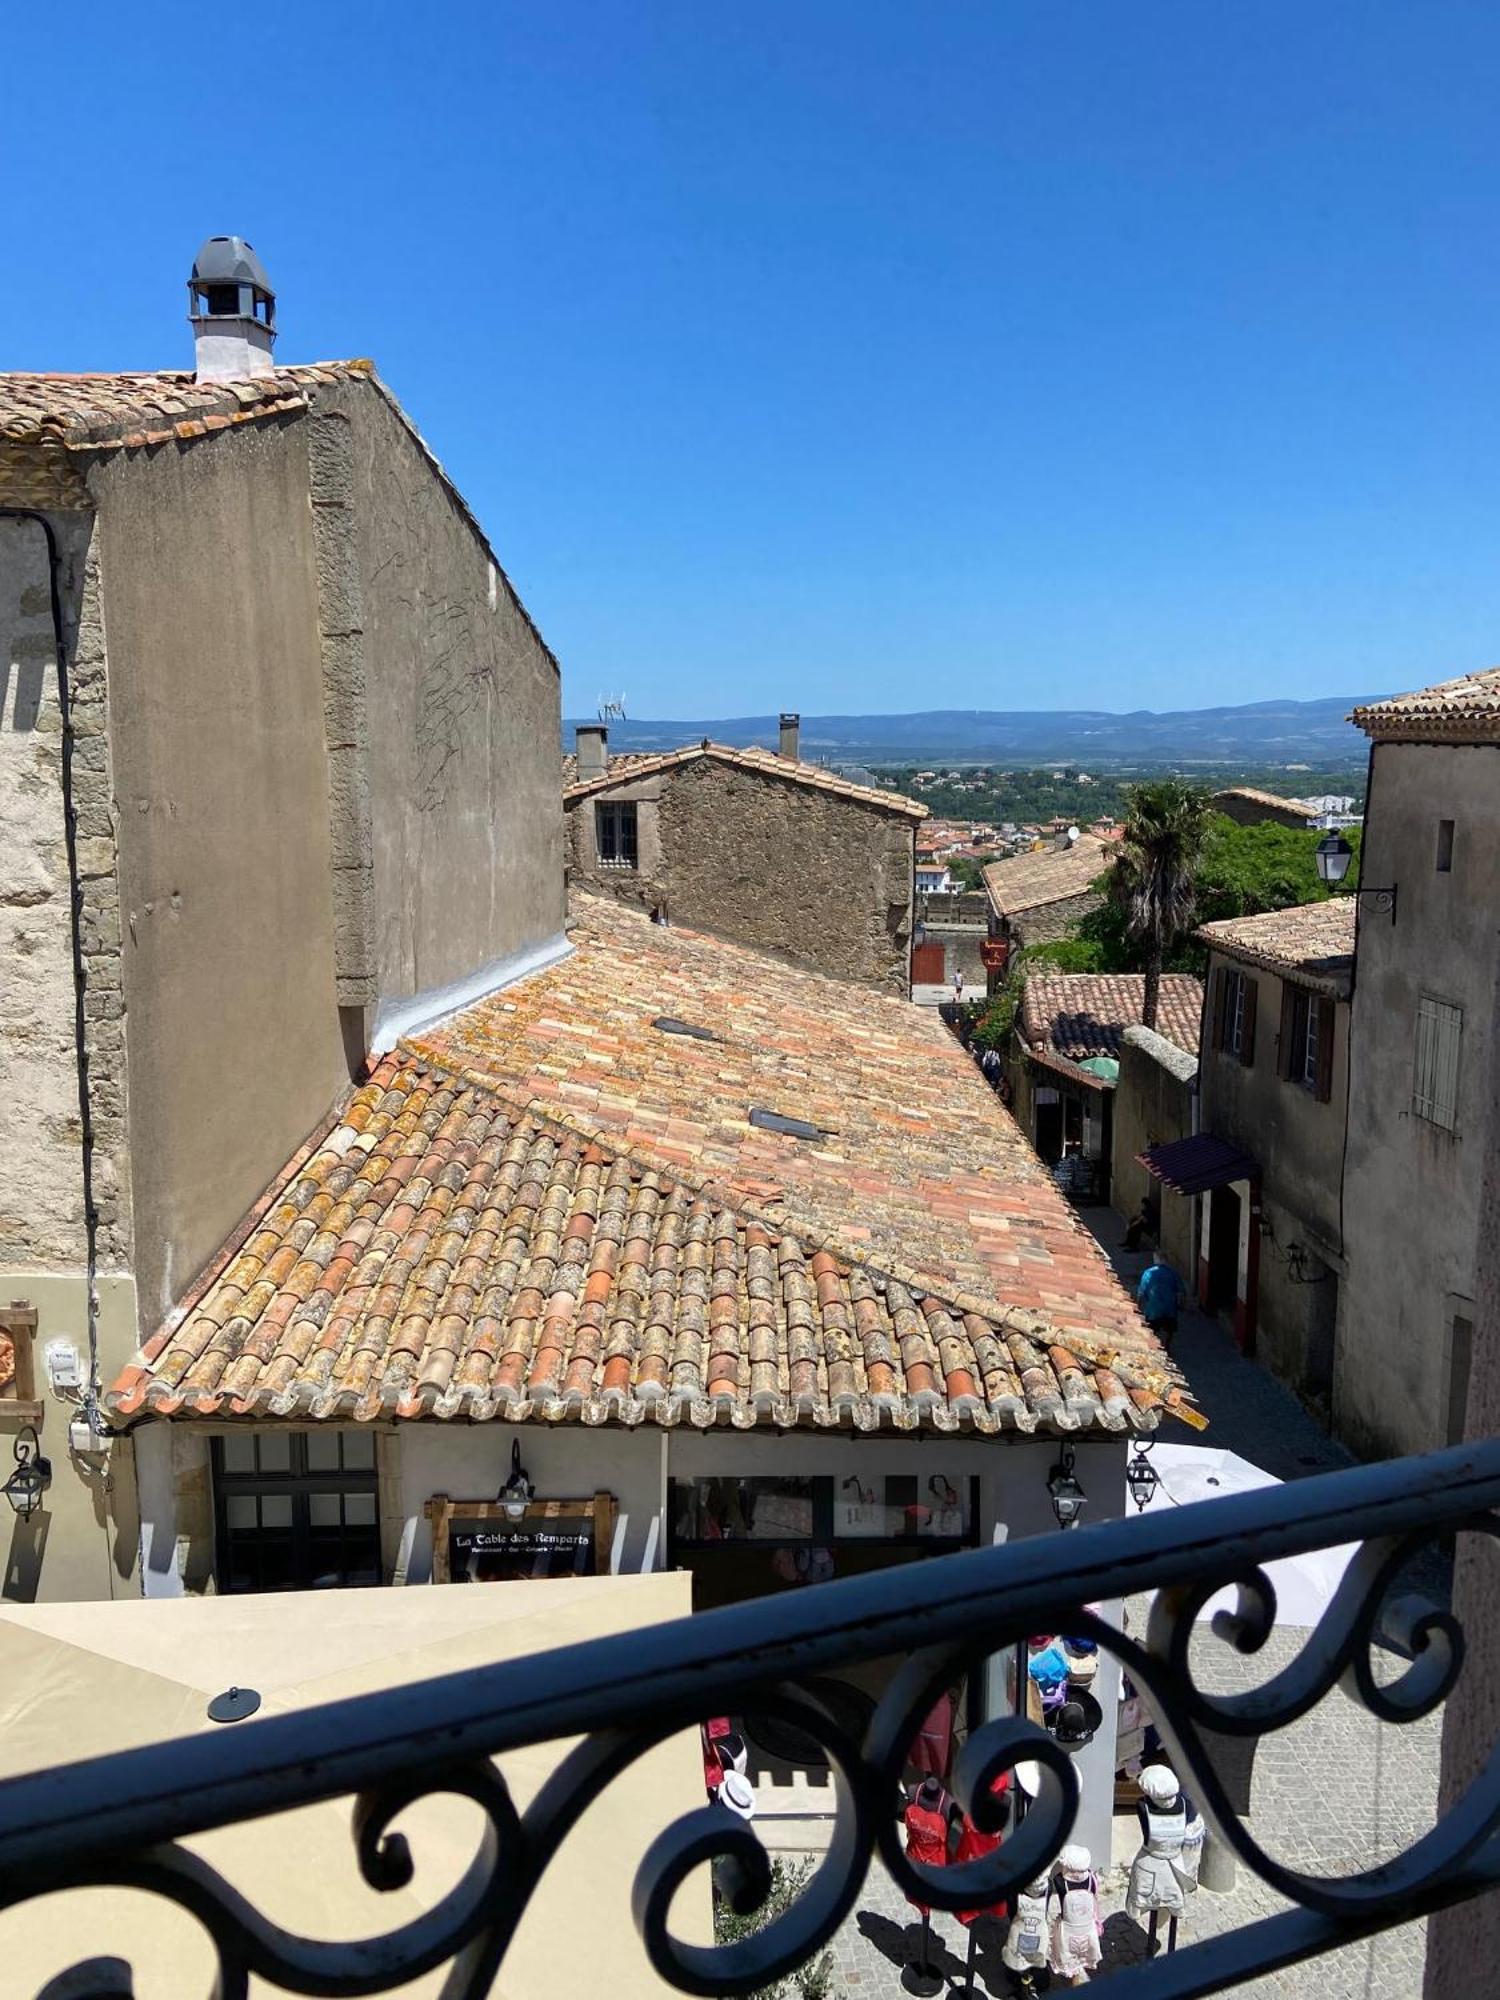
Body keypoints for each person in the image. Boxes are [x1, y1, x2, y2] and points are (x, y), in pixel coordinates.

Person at [1137, 1251, 1182, 1345]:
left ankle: (1153, 1345)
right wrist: (1180, 1305)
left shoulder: (1148, 1273)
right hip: (1169, 1308)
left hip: (1153, 1308)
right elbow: (1180, 1291)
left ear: (1155, 1260)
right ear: (1166, 1260)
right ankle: (1167, 1346)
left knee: (1152, 1329)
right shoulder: (1173, 1273)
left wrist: (1138, 1306)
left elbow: (1141, 1292)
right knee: (1169, 1329)